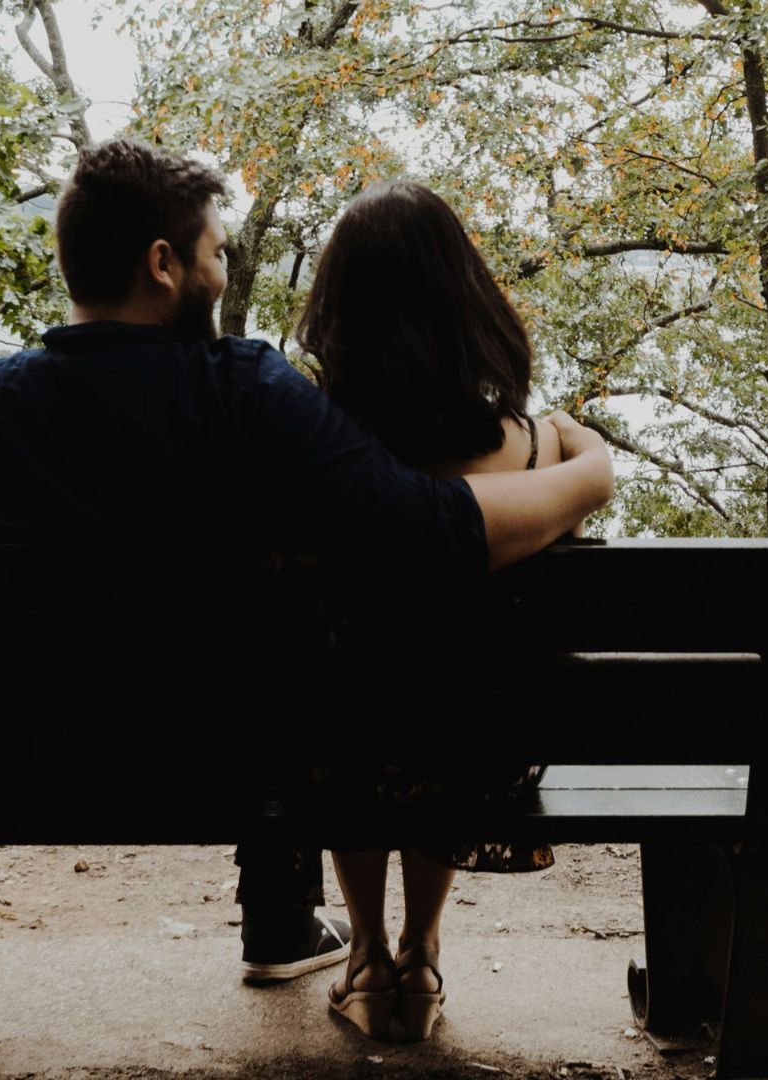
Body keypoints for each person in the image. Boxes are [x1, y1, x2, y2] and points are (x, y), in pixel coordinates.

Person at [0, 140, 611, 985]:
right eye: (216, 252)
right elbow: (426, 533)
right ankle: (286, 919)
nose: (223, 271)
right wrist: (587, 475)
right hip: (201, 765)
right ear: (163, 265)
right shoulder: (244, 396)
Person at [293, 178, 563, 1041]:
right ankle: (422, 951)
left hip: (333, 746)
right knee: (448, 701)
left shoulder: (314, 447)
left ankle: (366, 955)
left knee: (347, 706)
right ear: (464, 300)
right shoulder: (526, 448)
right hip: (478, 751)